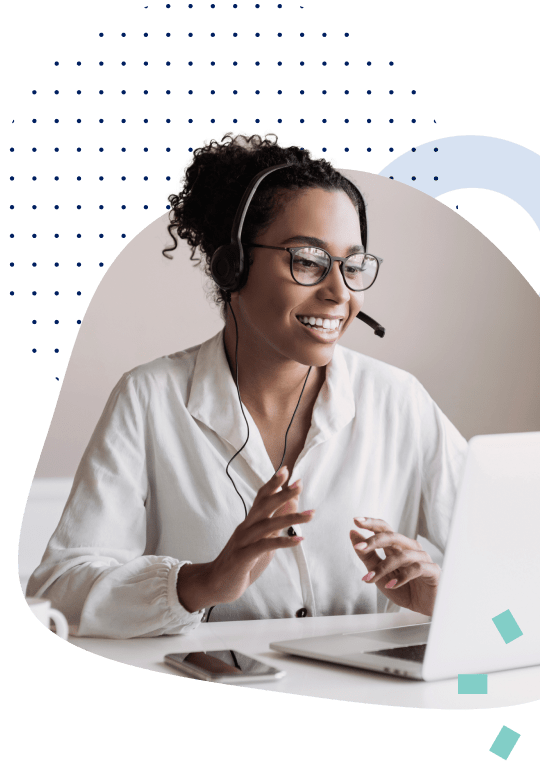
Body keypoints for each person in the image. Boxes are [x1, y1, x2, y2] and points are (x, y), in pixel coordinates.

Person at [26, 131, 468, 639]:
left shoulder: (399, 401)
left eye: (352, 265)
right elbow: (60, 590)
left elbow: (517, 567)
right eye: (308, 261)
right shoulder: (150, 399)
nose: (339, 293)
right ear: (231, 265)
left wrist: (446, 594)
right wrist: (200, 582)